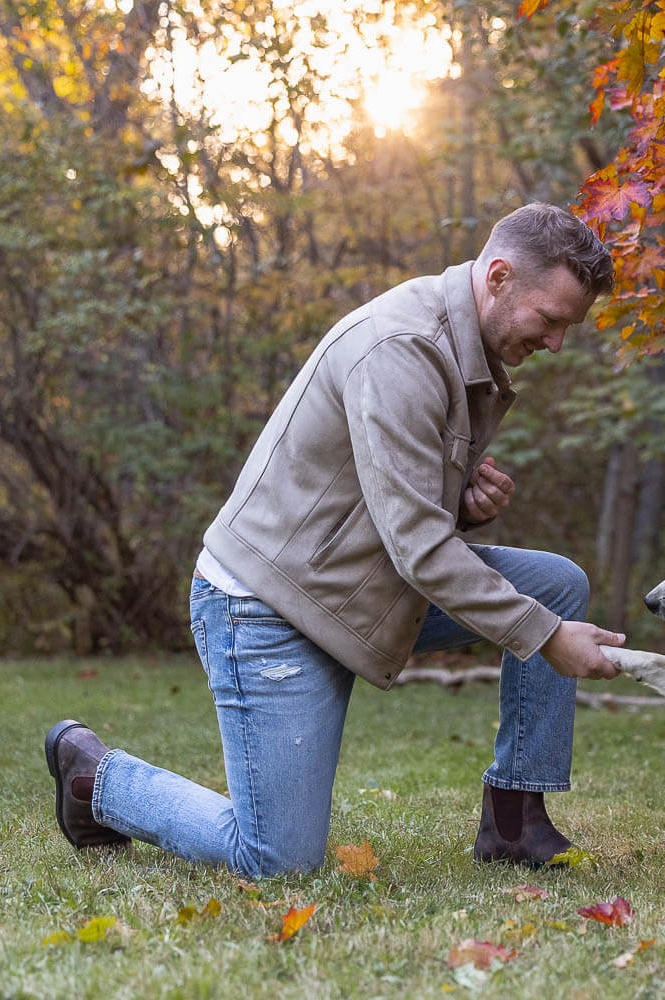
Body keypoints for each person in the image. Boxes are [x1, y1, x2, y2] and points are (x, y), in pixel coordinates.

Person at [44, 203, 625, 877]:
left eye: (567, 327)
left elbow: (391, 507)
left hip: (355, 584)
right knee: (278, 860)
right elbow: (416, 546)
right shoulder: (403, 349)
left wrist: (461, 508)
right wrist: (548, 637)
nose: (556, 343)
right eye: (550, 321)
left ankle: (514, 823)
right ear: (497, 277)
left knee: (555, 584)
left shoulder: (468, 347)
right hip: (267, 609)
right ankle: (96, 781)